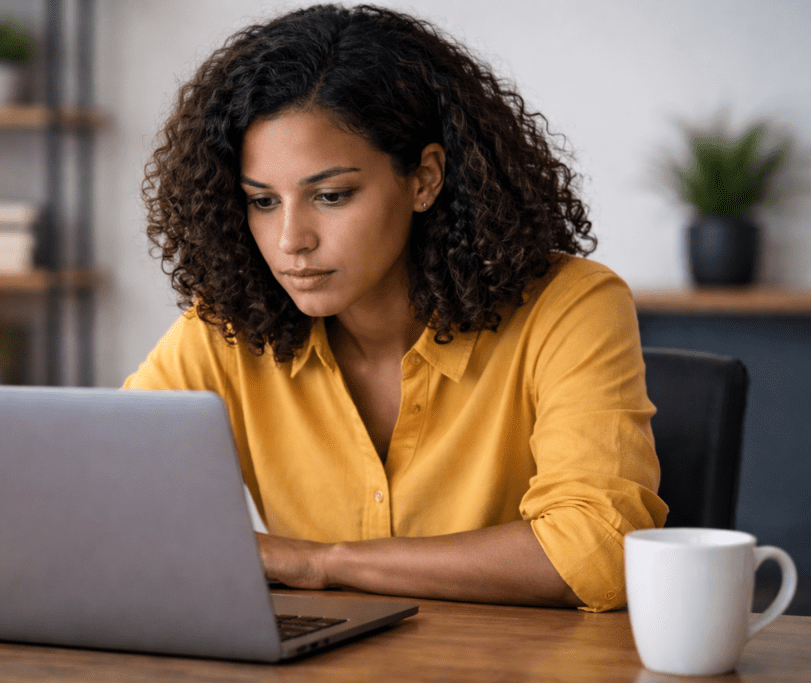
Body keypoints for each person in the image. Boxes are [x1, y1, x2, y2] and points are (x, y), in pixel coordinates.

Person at [124, 3, 667, 612]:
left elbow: (597, 550)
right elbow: (105, 497)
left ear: (424, 178)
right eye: (263, 201)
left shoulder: (569, 307)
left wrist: (319, 563)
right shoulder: (228, 327)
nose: (290, 241)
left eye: (331, 195)